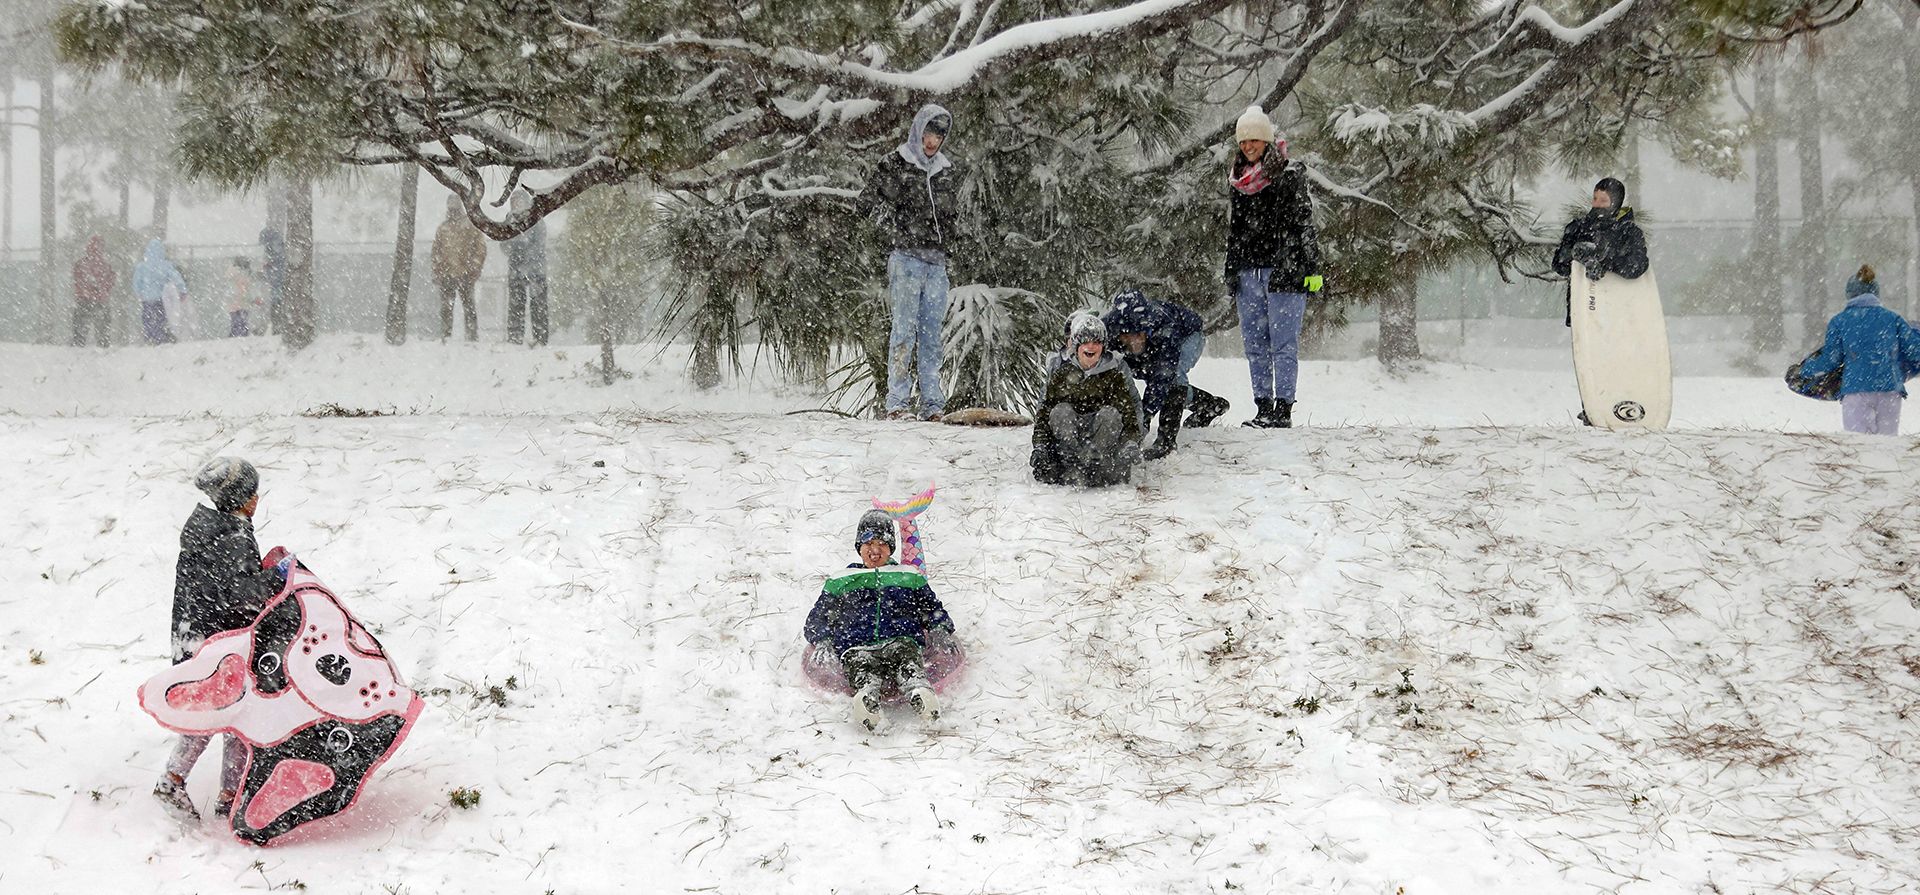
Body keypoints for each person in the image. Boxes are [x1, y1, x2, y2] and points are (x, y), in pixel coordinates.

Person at [153, 458, 287, 822]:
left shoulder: (205, 527)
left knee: (229, 712)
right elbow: (243, 594)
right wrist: (280, 576)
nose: (257, 498)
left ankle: (229, 793)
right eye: (252, 492)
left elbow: (218, 585)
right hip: (221, 642)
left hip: (194, 634)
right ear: (243, 498)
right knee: (228, 713)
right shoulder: (234, 535)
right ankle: (177, 783)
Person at [804, 510, 955, 730]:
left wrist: (940, 628)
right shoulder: (842, 580)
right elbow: (820, 616)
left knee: (908, 663)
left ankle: (920, 693)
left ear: (891, 548)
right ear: (859, 547)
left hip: (900, 640)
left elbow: (931, 608)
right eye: (868, 544)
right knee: (862, 669)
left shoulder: (908, 576)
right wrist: (823, 639)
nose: (875, 551)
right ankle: (868, 702)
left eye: (882, 544)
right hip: (857, 645)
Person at [862, 103, 964, 420]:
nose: (933, 141)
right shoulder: (896, 163)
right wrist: (892, 234)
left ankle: (933, 403)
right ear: (918, 130)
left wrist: (954, 242)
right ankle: (898, 402)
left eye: (940, 135)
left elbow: (952, 216)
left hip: (937, 264)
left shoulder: (946, 171)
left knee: (932, 335)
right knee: (904, 331)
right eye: (929, 132)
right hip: (905, 259)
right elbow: (866, 204)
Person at [1225, 105, 1322, 430]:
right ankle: (1262, 407)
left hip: (1285, 272)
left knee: (1283, 343)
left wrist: (1311, 270)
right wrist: (1231, 269)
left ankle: (1283, 409)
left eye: (1254, 140)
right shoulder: (1238, 181)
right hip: (1247, 272)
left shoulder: (1289, 174)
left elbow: (1303, 223)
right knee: (1254, 344)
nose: (1248, 147)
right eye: (1243, 142)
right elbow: (1235, 229)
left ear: (1266, 141)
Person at [1794, 266, 1920, 436]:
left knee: (1859, 445)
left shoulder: (1839, 321)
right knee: (1889, 447)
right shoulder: (1893, 319)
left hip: (1856, 390)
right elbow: (1915, 351)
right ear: (1876, 293)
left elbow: (1831, 360)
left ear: (1850, 294)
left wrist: (1803, 370)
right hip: (1890, 389)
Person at [1103, 289, 1218, 461]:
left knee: (1173, 377)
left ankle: (1167, 442)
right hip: (1149, 347)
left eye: (1138, 334)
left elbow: (1162, 379)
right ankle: (1210, 404)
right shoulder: (1107, 328)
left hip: (1189, 335)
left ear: (1146, 329)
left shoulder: (1165, 330)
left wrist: (1144, 419)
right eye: (1127, 335)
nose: (1134, 341)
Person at [1031, 311, 1142, 487]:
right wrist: (1041, 447)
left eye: (1096, 342)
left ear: (1103, 346)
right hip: (1070, 442)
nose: (1091, 347)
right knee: (1061, 411)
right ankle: (1071, 465)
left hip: (1102, 443)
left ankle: (1098, 466)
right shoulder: (1061, 374)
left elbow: (1129, 414)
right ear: (1075, 346)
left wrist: (1130, 444)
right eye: (1085, 342)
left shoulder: (1113, 374)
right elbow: (1044, 415)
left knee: (1110, 414)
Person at [430, 195, 489, 342]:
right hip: (447, 274)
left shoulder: (470, 226)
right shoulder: (443, 228)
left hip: (465, 273)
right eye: (451, 206)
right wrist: (437, 270)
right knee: (446, 308)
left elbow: (480, 248)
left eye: (455, 205)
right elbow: (436, 251)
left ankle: (471, 336)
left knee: (468, 306)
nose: (453, 209)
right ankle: (446, 335)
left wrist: (474, 267)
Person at [503, 192, 550, 347]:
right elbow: (502, 241)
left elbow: (540, 243)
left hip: (536, 270)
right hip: (516, 270)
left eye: (519, 201)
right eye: (513, 201)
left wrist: (524, 253)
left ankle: (540, 338)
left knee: (538, 305)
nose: (516, 204)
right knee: (516, 304)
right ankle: (515, 337)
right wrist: (512, 250)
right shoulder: (509, 219)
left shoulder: (535, 218)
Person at [132, 238, 188, 345]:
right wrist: (182, 290)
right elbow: (176, 278)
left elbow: (136, 282)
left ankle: (149, 337)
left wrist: (139, 293)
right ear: (161, 251)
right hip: (160, 298)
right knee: (160, 319)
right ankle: (160, 338)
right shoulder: (166, 265)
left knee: (147, 319)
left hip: (146, 299)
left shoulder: (142, 267)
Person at [71, 234, 116, 347]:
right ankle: (103, 344)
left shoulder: (81, 263)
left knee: (80, 325)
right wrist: (103, 291)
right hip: (101, 300)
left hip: (83, 299)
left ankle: (78, 344)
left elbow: (77, 279)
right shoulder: (106, 265)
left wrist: (84, 291)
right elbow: (111, 280)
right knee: (103, 327)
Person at [258, 221, 286, 335]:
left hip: (278, 283)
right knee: (277, 304)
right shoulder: (276, 247)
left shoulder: (274, 249)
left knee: (277, 304)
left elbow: (275, 264)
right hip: (278, 283)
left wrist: (268, 269)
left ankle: (278, 328)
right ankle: (278, 327)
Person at [226, 257, 259, 337]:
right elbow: (250, 289)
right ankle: (241, 335)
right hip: (243, 303)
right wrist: (254, 299)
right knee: (242, 322)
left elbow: (231, 289)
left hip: (234, 304)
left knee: (237, 322)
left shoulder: (231, 274)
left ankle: (235, 336)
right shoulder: (247, 275)